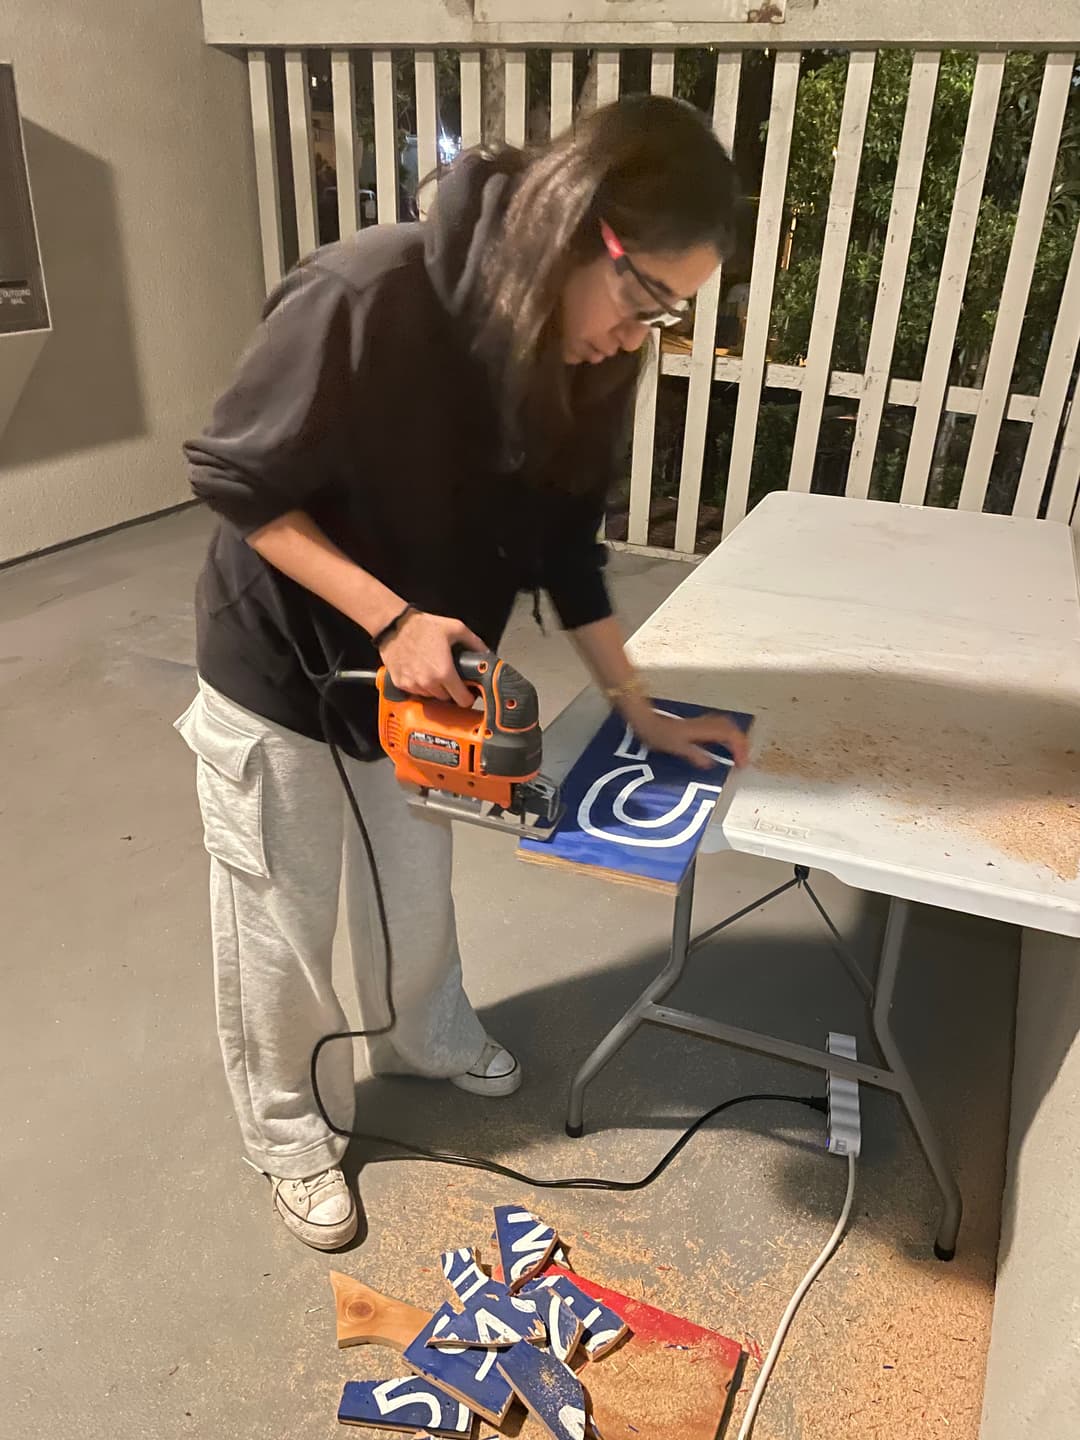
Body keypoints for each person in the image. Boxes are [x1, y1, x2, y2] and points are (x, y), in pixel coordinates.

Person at [176, 94, 750, 1251]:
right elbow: (236, 481)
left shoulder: (590, 358)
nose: (641, 335)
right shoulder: (367, 292)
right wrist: (393, 619)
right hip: (284, 668)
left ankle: (426, 1039)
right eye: (644, 301)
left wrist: (640, 706)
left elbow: (564, 549)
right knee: (281, 914)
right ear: (585, 229)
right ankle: (288, 1131)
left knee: (416, 872)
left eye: (671, 318)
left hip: (423, 679)